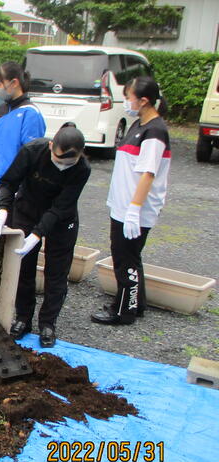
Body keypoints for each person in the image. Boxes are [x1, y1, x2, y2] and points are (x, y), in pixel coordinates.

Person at [0, 125, 91, 347]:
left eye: (69, 163)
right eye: (59, 159)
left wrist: (37, 235)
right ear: (51, 146)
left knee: (57, 272)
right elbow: (8, 182)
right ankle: (23, 318)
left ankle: (48, 323)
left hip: (61, 219)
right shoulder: (32, 151)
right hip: (27, 210)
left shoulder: (82, 169)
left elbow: (60, 207)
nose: (62, 166)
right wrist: (3, 210)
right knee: (24, 267)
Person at [91, 77, 170, 326]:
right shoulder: (139, 124)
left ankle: (123, 310)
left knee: (126, 257)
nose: (126, 102)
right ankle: (136, 303)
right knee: (127, 255)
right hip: (122, 204)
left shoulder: (154, 131)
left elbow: (148, 173)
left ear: (143, 100)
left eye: (128, 97)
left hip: (135, 208)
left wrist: (135, 209)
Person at [0, 62, 46, 223]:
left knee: (12, 241)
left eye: (0, 83)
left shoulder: (30, 114)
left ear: (14, 82)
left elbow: (32, 156)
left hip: (16, 191)